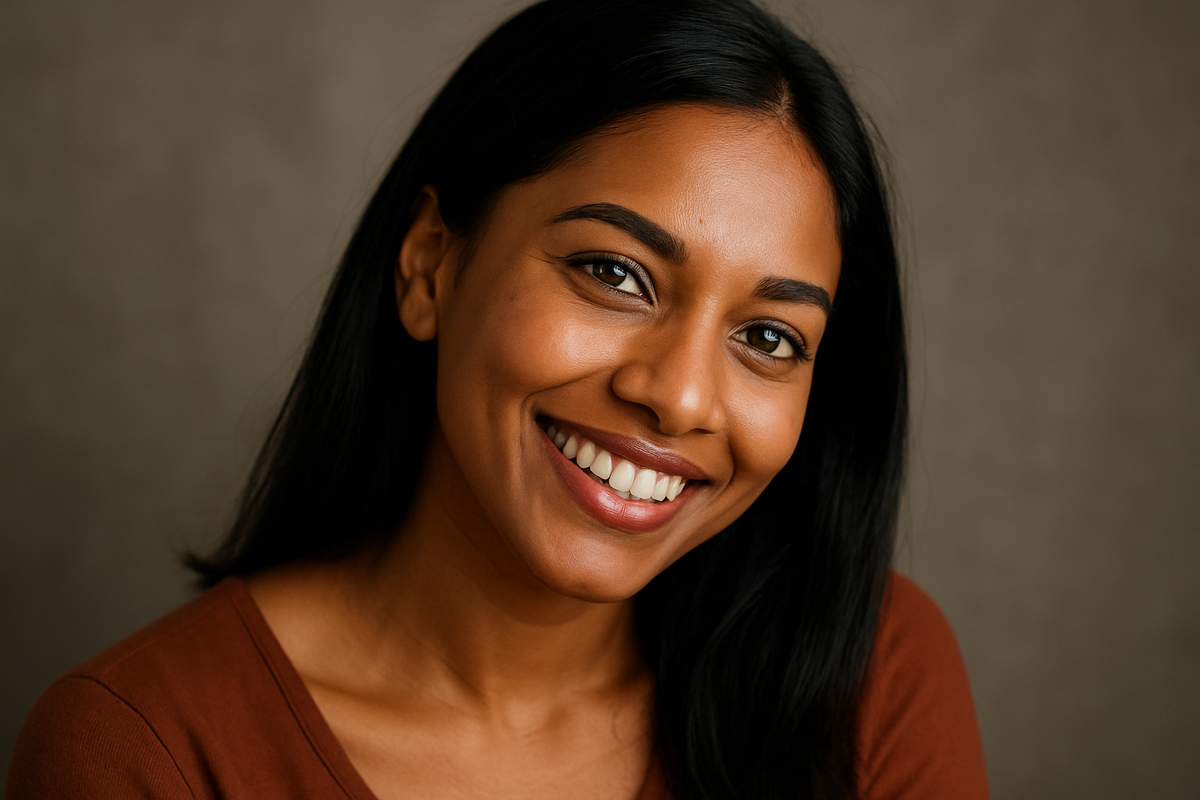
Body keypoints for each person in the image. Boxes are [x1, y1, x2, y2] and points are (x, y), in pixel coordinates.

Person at [6, 0, 988, 798]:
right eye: (613, 271)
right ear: (431, 265)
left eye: (769, 338)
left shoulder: (871, 677)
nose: (681, 395)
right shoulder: (141, 750)